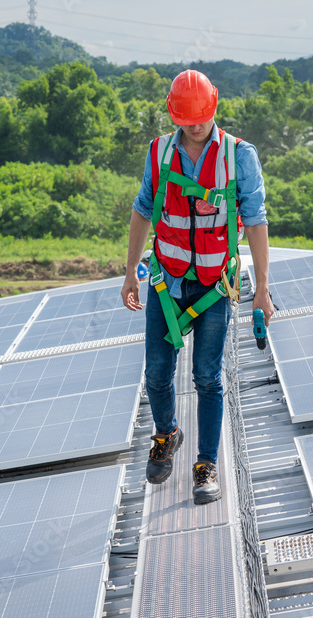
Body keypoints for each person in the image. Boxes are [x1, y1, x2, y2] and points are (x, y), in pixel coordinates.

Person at [121, 69, 274, 504]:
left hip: (214, 285)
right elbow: (142, 210)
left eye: (200, 118)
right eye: (185, 119)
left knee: (207, 377)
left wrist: (262, 289)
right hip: (166, 283)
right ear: (174, 115)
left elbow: (257, 220)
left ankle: (206, 465)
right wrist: (130, 271)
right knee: (156, 373)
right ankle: (167, 433)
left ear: (214, 107)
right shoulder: (159, 153)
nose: (193, 126)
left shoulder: (238, 156)